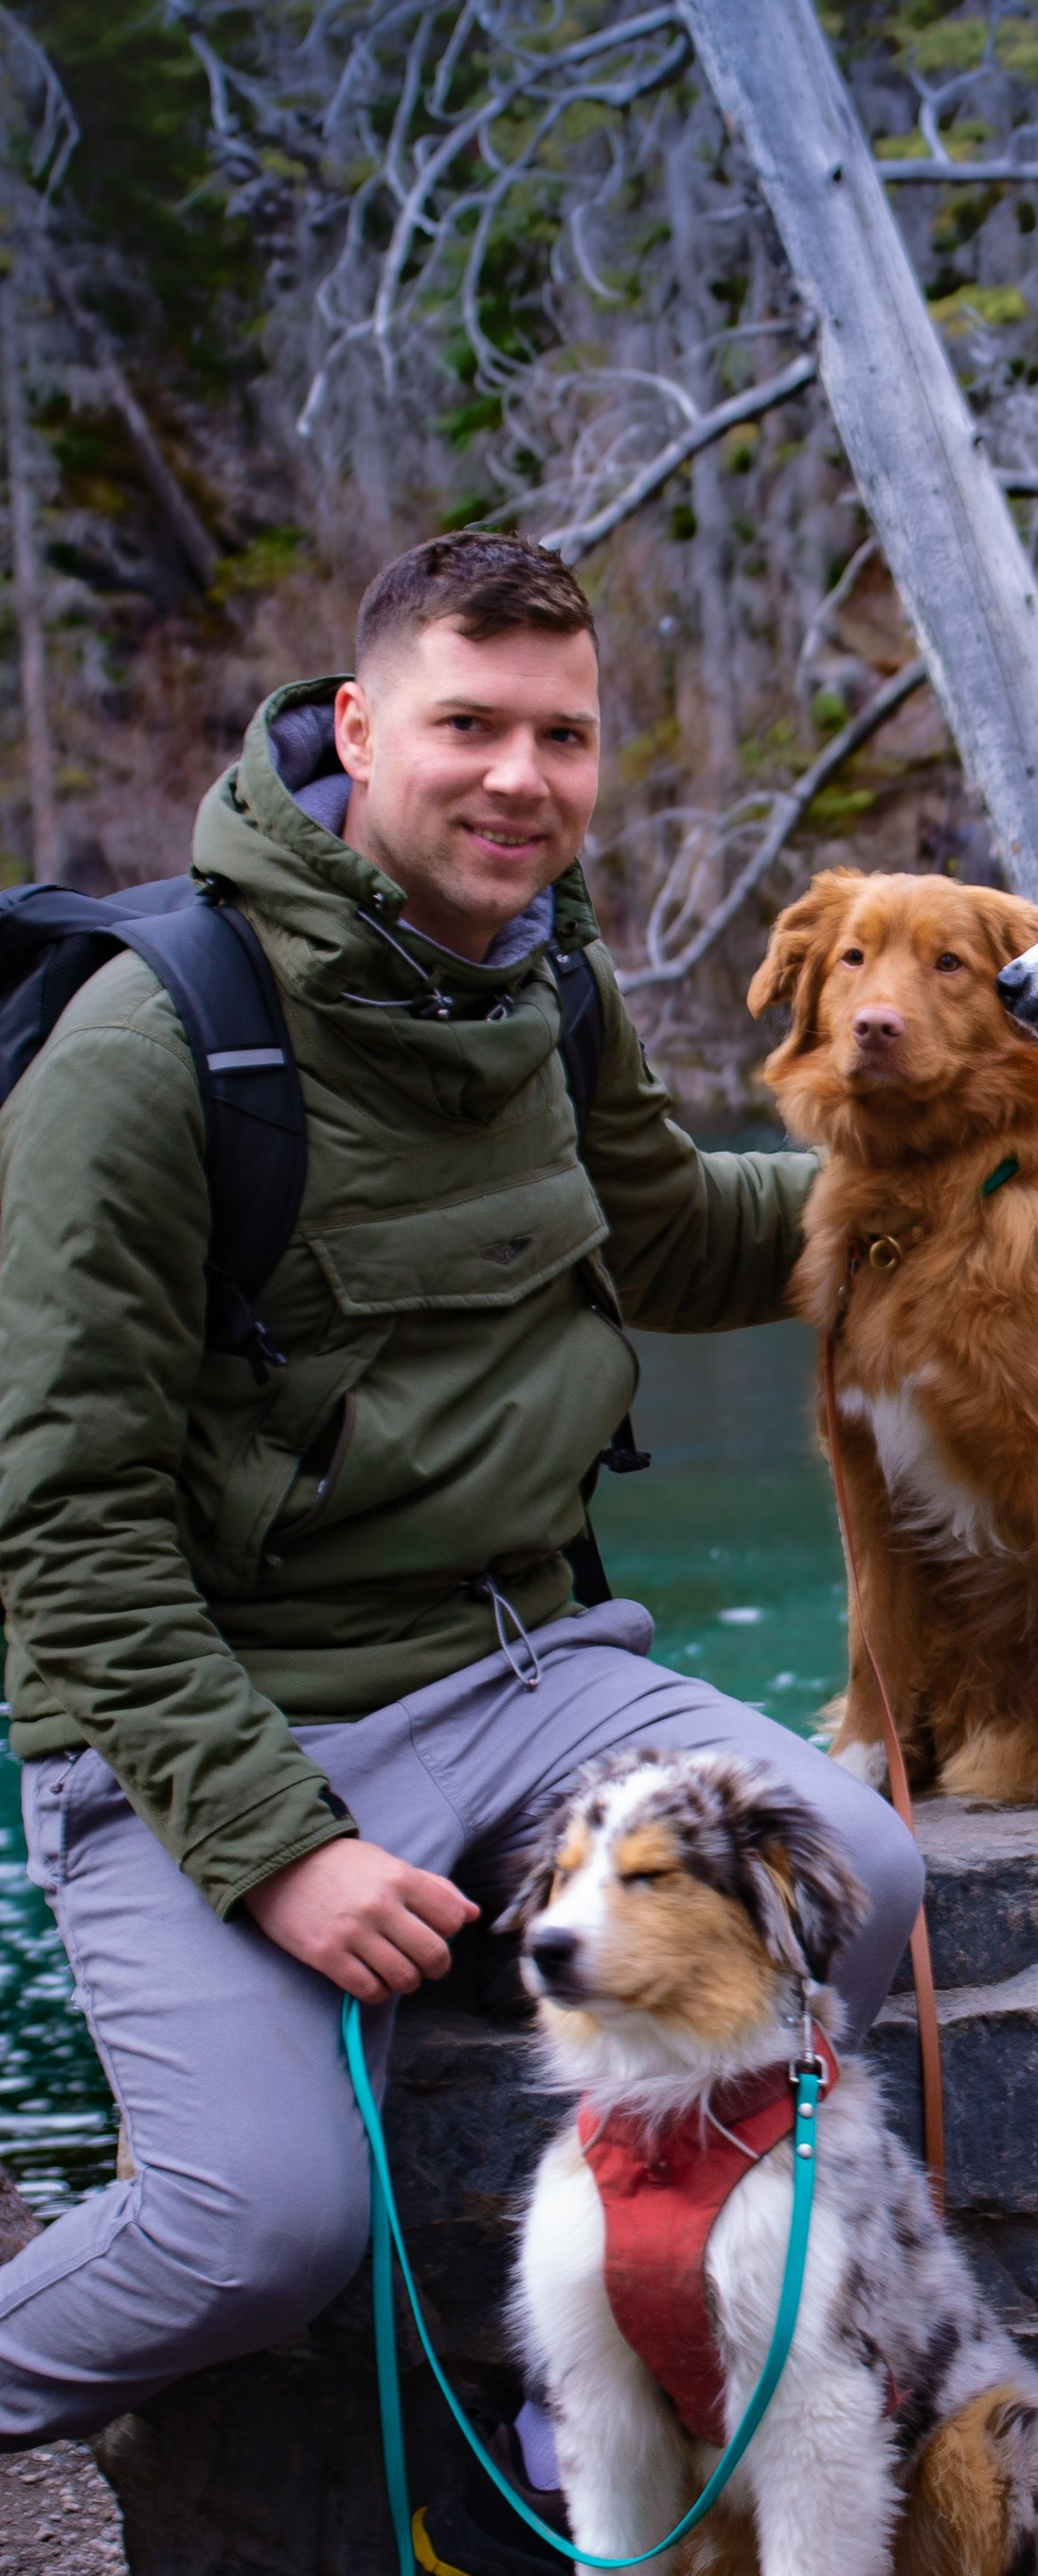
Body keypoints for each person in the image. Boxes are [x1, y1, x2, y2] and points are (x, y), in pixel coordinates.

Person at [0, 532, 923, 2474]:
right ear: (356, 729)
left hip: (526, 1670)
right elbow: (63, 1531)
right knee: (252, 2231)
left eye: (563, 736)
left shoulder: (547, 976)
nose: (522, 779)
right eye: (468, 726)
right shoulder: (152, 1050)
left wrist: (962, 1198)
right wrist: (283, 1853)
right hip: (219, 1719)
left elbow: (665, 1234)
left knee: (856, 1871)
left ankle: (604, 2402)